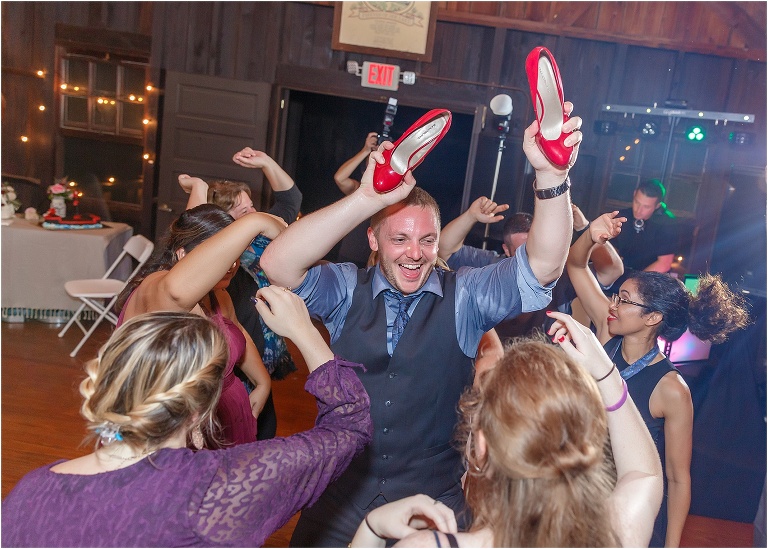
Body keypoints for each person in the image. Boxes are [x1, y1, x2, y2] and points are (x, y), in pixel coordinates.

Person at [261, 102, 583, 546]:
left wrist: (551, 176)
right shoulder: (346, 287)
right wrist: (366, 199)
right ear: (373, 238)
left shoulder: (465, 295)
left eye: (427, 240)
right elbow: (277, 264)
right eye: (400, 238)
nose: (415, 253)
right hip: (339, 500)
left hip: (431, 506)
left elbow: (543, 267)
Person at [2, 288, 373, 547]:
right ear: (200, 410)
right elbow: (350, 424)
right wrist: (305, 331)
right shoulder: (218, 489)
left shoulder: (30, 492)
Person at [350, 312, 664, 547]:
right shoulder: (614, 535)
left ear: (481, 447)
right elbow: (644, 475)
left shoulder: (426, 547)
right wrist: (606, 373)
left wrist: (372, 529)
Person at [567, 211, 751, 547]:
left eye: (624, 300)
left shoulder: (671, 389)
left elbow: (678, 479)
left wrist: (671, 544)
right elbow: (576, 266)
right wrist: (590, 235)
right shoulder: (607, 334)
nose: (613, 304)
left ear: (652, 317)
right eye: (616, 295)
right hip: (578, 497)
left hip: (627, 514)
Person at [116, 204, 283, 446]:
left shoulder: (219, 294)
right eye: (221, 257)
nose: (231, 265)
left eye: (235, 255)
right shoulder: (158, 288)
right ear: (182, 255)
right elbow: (175, 291)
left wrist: (262, 382)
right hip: (171, 428)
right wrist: (256, 221)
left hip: (229, 415)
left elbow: (237, 333)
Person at [180, 147, 303, 439]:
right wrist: (199, 187)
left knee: (264, 431)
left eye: (252, 206)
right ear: (220, 220)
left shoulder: (260, 240)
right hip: (227, 365)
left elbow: (290, 200)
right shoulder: (215, 263)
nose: (253, 214)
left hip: (256, 357)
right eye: (243, 211)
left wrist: (266, 162)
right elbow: (194, 234)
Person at [439, 200, 624, 337]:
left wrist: (585, 227)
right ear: (506, 251)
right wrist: (471, 216)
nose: (531, 259)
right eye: (522, 252)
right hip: (499, 360)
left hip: (549, 361)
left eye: (534, 249)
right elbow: (444, 250)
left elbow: (612, 271)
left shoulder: (558, 272)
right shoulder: (493, 266)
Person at [610, 178, 678, 277]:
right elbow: (611, 248)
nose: (638, 210)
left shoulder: (666, 224)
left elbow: (664, 264)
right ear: (634, 194)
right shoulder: (622, 216)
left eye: (646, 207)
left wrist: (636, 281)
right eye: (637, 202)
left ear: (657, 206)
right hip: (618, 275)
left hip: (648, 280)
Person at [334, 131, 380, 267]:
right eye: (372, 164)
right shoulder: (358, 189)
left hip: (373, 262)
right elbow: (339, 178)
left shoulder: (392, 195)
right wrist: (365, 151)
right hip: (348, 259)